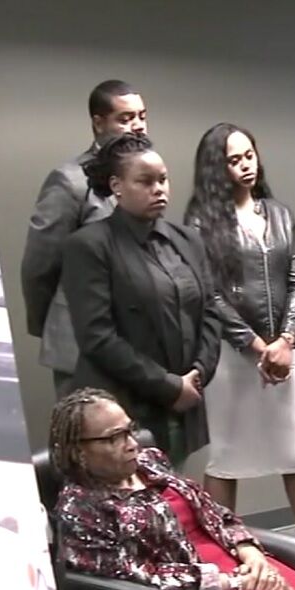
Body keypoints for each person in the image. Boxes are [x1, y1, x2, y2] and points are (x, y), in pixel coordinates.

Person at [183, 122, 295, 590]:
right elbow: (211, 296)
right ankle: (225, 566)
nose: (246, 164)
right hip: (235, 361)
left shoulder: (279, 214)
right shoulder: (201, 222)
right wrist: (256, 346)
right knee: (227, 461)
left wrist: (286, 340)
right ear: (216, 168)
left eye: (249, 154)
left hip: (283, 355)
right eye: (234, 159)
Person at [50, 388, 295, 590]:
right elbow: (138, 576)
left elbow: (215, 513)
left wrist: (253, 557)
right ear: (79, 450)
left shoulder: (150, 460)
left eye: (129, 430)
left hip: (236, 563)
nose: (131, 443)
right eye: (113, 437)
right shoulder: (80, 508)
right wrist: (234, 582)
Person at [60, 133, 221, 467]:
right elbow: (97, 336)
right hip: (124, 403)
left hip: (184, 397)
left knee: (175, 493)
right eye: (145, 182)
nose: (158, 189)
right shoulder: (89, 245)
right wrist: (167, 385)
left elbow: (210, 312)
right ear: (117, 185)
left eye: (163, 180)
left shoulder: (187, 239)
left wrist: (197, 374)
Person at [21, 79, 148, 398]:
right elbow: (39, 266)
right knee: (86, 441)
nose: (137, 126)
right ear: (98, 122)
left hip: (136, 344)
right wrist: (51, 324)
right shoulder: (71, 181)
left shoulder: (147, 181)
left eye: (142, 117)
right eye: (126, 118)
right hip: (80, 345)